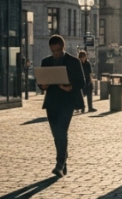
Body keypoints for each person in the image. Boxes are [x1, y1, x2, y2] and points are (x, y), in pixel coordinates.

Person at [39, 35, 87, 176]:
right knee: (56, 134)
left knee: (61, 131)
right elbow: (41, 82)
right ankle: (63, 159)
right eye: (53, 51)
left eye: (58, 50)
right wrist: (43, 85)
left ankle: (59, 163)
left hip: (68, 101)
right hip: (52, 102)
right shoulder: (46, 61)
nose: (56, 54)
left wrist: (70, 86)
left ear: (63, 47)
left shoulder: (73, 61)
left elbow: (82, 82)